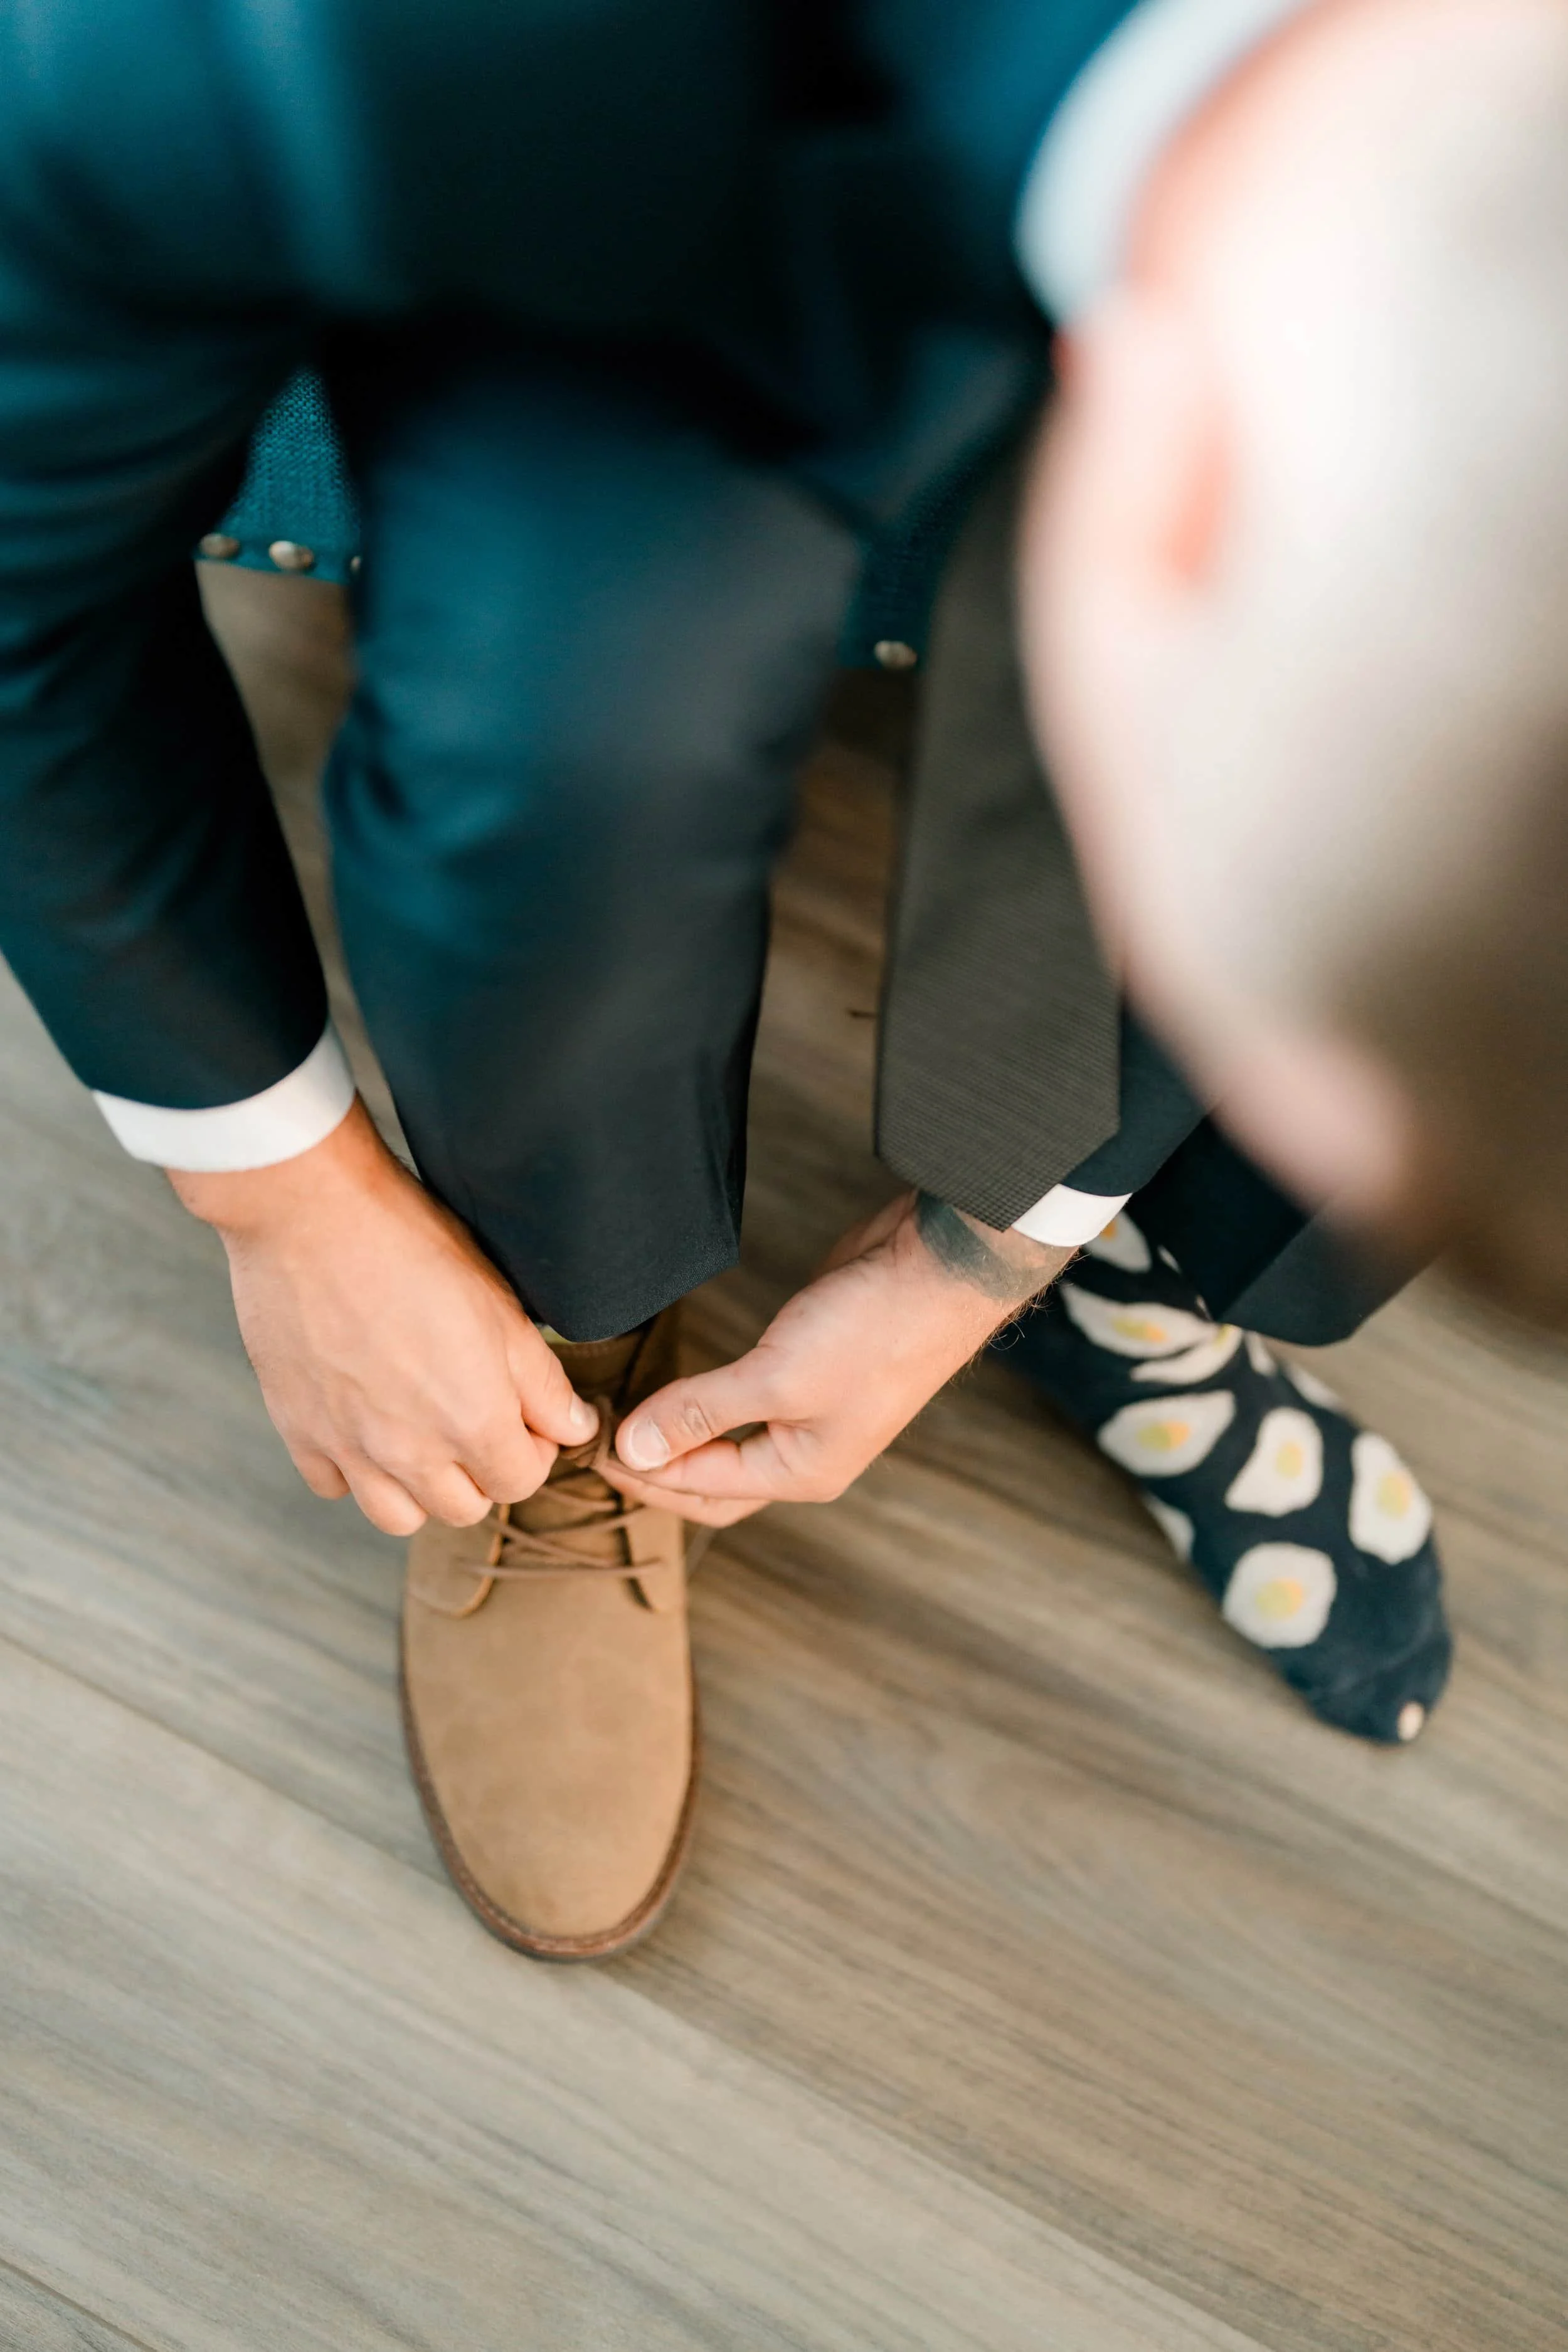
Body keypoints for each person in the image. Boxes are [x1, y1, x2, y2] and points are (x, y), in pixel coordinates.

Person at [1, 0, 1562, 1961]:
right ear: (1141, 479)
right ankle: (567, 1336)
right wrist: (281, 1193)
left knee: (1471, 880)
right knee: (570, 721)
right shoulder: (237, 56)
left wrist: (987, 1253)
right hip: (562, 118)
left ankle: (1131, 1295)